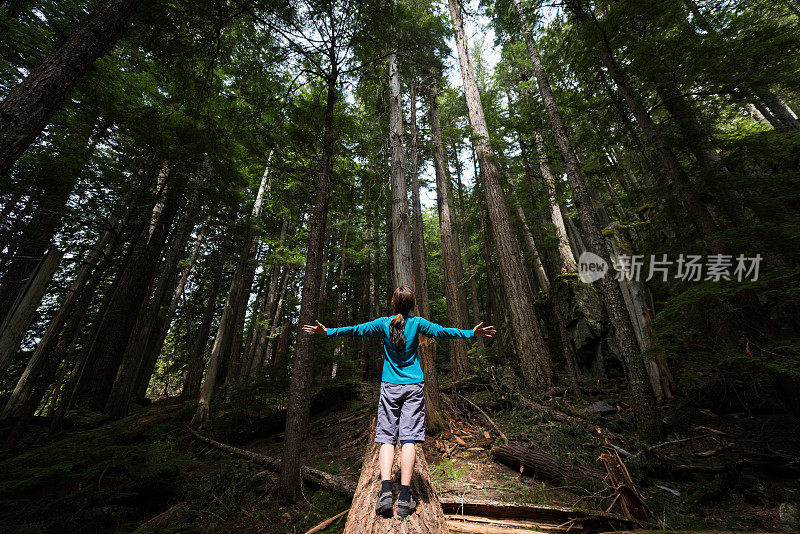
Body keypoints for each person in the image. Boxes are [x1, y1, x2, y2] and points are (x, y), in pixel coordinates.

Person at [303, 285, 495, 519]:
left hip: (390, 386)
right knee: (409, 439)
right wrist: (470, 333)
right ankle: (404, 497)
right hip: (413, 386)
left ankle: (385, 493)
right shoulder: (418, 323)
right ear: (413, 305)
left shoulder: (384, 323)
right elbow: (443, 332)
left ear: (393, 304)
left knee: (386, 438)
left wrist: (328, 332)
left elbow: (356, 330)